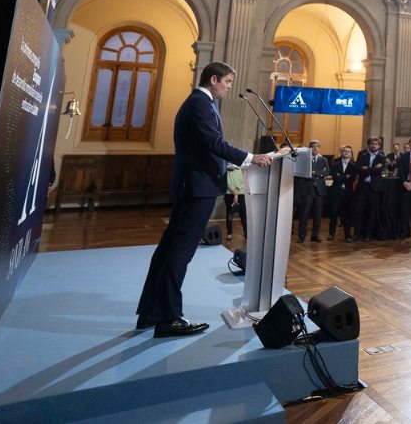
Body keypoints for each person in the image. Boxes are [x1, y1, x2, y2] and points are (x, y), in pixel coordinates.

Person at [136, 61, 272, 338]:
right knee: (179, 251)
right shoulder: (200, 103)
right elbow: (213, 143)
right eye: (228, 82)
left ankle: (152, 310)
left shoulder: (201, 103)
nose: (229, 87)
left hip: (197, 185)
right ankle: (168, 318)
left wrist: (230, 167)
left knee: (169, 249)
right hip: (198, 188)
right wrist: (249, 158)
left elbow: (205, 148)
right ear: (214, 79)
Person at [296, 140, 329, 243]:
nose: (315, 148)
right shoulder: (305, 159)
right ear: (310, 148)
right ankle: (301, 236)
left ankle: (315, 236)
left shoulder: (324, 160)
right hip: (308, 190)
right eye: (313, 146)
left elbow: (327, 171)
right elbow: (303, 173)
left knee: (318, 215)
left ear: (319, 148)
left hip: (319, 191)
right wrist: (317, 175)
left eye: (317, 146)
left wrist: (316, 174)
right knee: (304, 214)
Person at [354, 137, 387, 240]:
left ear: (379, 146)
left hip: (374, 188)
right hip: (363, 187)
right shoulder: (363, 155)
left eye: (376, 144)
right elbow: (358, 169)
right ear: (369, 145)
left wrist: (367, 168)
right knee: (359, 211)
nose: (374, 146)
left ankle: (368, 235)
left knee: (372, 212)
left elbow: (379, 171)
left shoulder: (382, 157)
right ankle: (357, 234)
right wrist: (373, 169)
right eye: (372, 144)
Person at [329, 144, 357, 241]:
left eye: (349, 151)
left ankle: (347, 235)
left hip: (348, 194)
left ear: (351, 154)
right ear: (342, 152)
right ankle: (331, 234)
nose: (347, 153)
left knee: (347, 215)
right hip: (336, 192)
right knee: (333, 214)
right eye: (345, 151)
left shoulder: (354, 165)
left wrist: (340, 176)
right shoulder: (335, 164)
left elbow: (352, 178)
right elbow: (334, 177)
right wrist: (345, 177)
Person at [223, 163, 246, 239]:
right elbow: (227, 182)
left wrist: (237, 192)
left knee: (243, 215)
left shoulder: (239, 169)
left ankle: (246, 233)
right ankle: (229, 234)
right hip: (229, 194)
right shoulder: (225, 169)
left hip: (241, 194)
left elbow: (241, 181)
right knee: (229, 215)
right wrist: (234, 192)